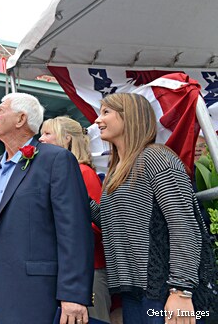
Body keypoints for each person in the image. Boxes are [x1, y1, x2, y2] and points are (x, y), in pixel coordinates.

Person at [90, 93, 218, 323]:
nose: (98, 120)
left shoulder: (156, 158)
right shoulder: (118, 169)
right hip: (135, 292)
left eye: (106, 112)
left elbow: (184, 224)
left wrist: (181, 289)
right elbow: (114, 225)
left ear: (130, 117)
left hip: (164, 292)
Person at [0, 93, 94, 324]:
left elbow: (74, 232)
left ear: (21, 119)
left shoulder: (56, 160)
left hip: (39, 294)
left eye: (1, 110)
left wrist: (73, 294)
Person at [40, 116, 111, 323]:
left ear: (67, 139)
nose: (41, 139)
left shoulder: (83, 172)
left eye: (48, 133)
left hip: (90, 271)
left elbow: (98, 224)